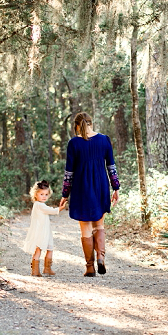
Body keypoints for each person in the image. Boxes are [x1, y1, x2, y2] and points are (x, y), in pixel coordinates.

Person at [59, 112, 120, 277]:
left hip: (81, 189)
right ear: (91, 123)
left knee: (85, 230)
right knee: (99, 225)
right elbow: (111, 167)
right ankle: (101, 257)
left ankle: (90, 267)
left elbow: (69, 173)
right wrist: (116, 188)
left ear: (77, 126)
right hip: (101, 186)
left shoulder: (74, 143)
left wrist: (65, 194)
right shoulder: (104, 140)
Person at [22, 181, 66, 277]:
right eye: (41, 194)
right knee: (38, 250)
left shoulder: (40, 205)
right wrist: (60, 208)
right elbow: (51, 210)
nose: (44, 196)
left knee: (50, 248)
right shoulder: (39, 205)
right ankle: (35, 271)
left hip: (46, 231)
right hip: (40, 232)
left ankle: (47, 268)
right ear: (35, 194)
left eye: (46, 194)